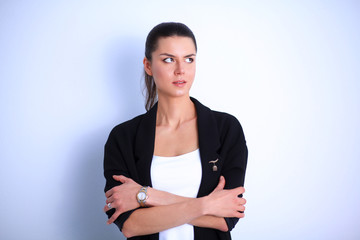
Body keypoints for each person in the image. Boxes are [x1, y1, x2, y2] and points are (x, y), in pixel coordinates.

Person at [103, 22, 248, 240]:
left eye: (189, 59)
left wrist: (147, 196)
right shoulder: (123, 138)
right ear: (148, 65)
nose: (181, 70)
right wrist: (207, 205)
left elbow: (225, 219)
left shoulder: (226, 129)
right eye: (168, 59)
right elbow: (131, 226)